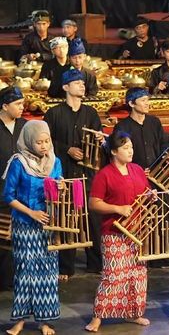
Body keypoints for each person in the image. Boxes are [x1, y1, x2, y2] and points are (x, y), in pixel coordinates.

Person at [84, 130, 151, 332]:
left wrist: (151, 197)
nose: (131, 150)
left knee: (137, 274)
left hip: (138, 231)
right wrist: (117, 209)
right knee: (114, 274)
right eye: (126, 147)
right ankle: (98, 316)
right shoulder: (104, 174)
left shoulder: (137, 170)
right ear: (114, 151)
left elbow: (144, 194)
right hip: (114, 232)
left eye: (131, 147)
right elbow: (94, 203)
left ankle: (134, 313)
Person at [112, 88, 169, 270]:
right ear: (132, 103)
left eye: (147, 100)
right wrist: (136, 170)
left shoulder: (154, 122)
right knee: (139, 217)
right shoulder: (123, 126)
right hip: (135, 176)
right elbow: (119, 153)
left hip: (156, 176)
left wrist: (165, 160)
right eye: (143, 100)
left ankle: (163, 256)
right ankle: (140, 255)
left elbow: (162, 145)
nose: (147, 103)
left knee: (160, 215)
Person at [3, 120, 63, 335]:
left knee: (47, 273)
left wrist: (61, 188)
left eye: (47, 141)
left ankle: (45, 321)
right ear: (29, 141)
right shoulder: (18, 163)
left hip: (47, 226)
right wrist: (31, 212)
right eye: (39, 142)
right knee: (25, 272)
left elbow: (58, 192)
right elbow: (8, 196)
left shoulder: (55, 162)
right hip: (25, 224)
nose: (44, 146)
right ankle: (19, 320)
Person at [44, 69, 103, 279]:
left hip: (87, 174)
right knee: (66, 218)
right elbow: (46, 142)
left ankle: (95, 263)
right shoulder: (54, 113)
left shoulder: (91, 113)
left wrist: (98, 141)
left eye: (83, 83)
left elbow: (99, 143)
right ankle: (65, 268)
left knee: (92, 218)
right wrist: (67, 149)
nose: (82, 85)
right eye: (77, 82)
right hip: (65, 174)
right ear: (65, 87)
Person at [0, 87, 26, 292]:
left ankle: (20, 279)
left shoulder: (26, 127)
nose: (22, 107)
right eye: (18, 104)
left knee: (21, 236)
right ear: (5, 106)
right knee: (2, 237)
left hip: (23, 192)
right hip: (1, 191)